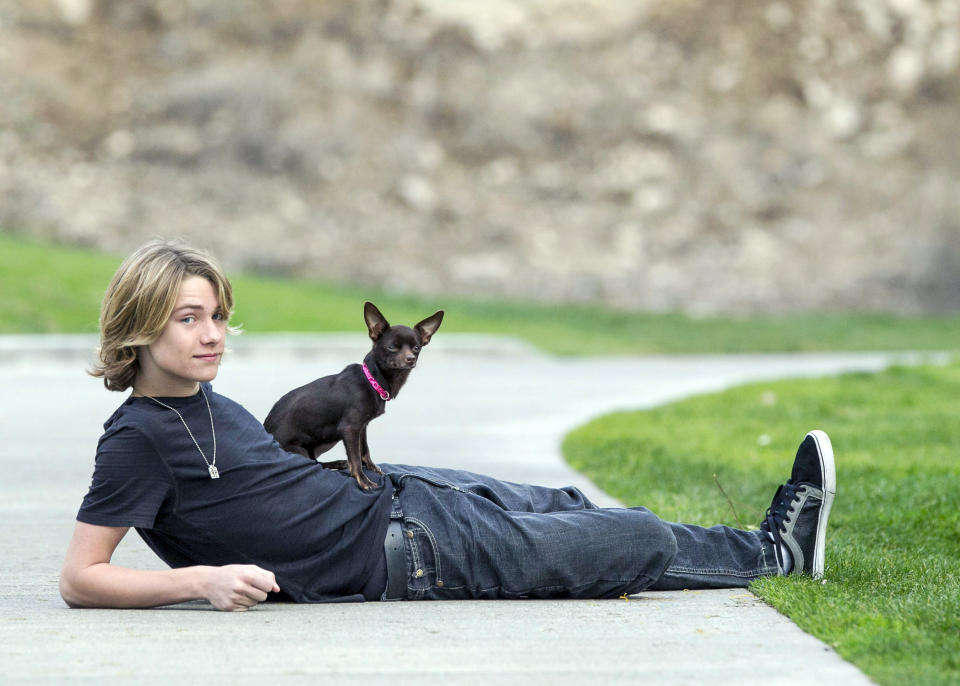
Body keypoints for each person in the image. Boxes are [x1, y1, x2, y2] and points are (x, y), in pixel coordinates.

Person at [59, 239, 836, 611]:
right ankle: (773, 552)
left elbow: (274, 485)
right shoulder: (135, 438)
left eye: (219, 315)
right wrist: (202, 579)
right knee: (635, 540)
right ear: (138, 325)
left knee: (565, 505)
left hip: (402, 497)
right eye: (188, 317)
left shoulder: (206, 403)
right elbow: (80, 576)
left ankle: (777, 550)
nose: (212, 334)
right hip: (404, 553)